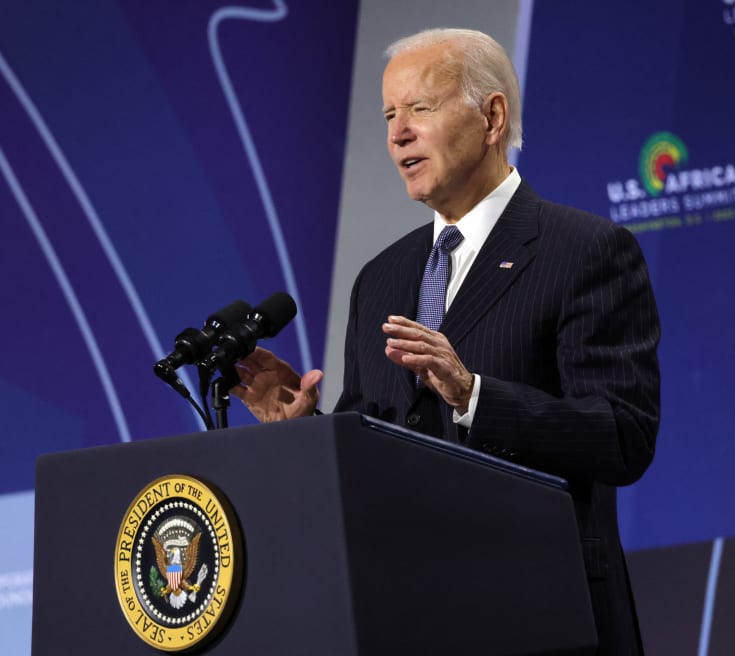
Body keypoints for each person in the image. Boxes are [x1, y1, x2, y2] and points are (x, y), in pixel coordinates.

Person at [232, 28, 660, 654]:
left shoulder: (585, 251)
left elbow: (623, 435)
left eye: (419, 109)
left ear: (491, 117)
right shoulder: (379, 280)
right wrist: (304, 431)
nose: (397, 133)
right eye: (388, 115)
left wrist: (475, 396)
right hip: (407, 619)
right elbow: (376, 454)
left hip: (542, 616)